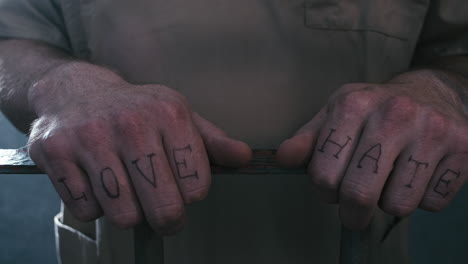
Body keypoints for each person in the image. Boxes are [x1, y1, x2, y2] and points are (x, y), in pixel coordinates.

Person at [0, 0, 467, 263]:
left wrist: (442, 92)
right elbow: (11, 34)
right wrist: (58, 87)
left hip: (350, 244)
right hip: (127, 245)